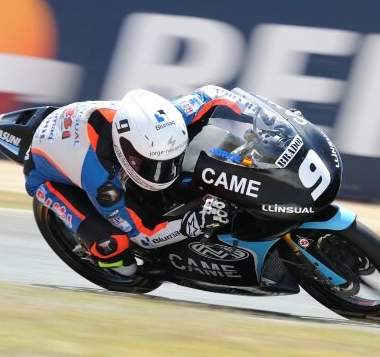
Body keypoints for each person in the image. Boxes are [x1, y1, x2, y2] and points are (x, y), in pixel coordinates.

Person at [24, 86, 243, 276]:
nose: (163, 172)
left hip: (81, 128)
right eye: (151, 165)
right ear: (125, 150)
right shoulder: (104, 183)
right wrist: (195, 222)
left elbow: (214, 94)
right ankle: (101, 254)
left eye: (169, 162)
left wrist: (261, 116)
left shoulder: (169, 117)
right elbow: (144, 236)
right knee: (115, 250)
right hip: (45, 174)